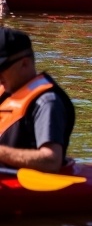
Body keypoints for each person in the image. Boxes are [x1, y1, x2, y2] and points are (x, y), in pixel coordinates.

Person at [0, 27, 75, 173]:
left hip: (24, 184)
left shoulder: (47, 103)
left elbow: (51, 160)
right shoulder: (6, 88)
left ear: (25, 64)